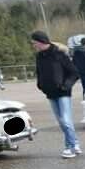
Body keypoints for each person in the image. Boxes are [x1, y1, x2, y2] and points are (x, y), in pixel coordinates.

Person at [31, 30, 81, 159]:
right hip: (50, 93)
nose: (33, 46)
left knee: (66, 120)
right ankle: (75, 143)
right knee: (62, 122)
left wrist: (66, 85)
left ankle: (70, 147)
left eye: (34, 43)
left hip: (63, 92)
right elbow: (39, 72)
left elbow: (74, 72)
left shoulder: (59, 55)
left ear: (42, 42)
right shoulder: (39, 57)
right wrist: (40, 85)